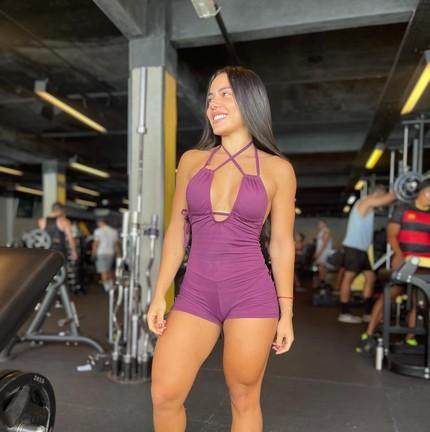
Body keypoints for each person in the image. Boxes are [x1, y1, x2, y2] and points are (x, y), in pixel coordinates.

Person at [147, 66, 296, 432]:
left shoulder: (278, 170)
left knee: (244, 398)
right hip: (196, 293)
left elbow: (281, 244)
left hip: (251, 296)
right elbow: (176, 232)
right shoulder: (191, 161)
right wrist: (159, 294)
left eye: (225, 94)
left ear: (250, 101)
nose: (214, 103)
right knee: (164, 393)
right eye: (211, 97)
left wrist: (287, 312)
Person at [357, 178, 430, 353]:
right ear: (422, 191)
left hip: (426, 264)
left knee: (420, 301)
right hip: (405, 261)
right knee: (388, 296)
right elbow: (391, 235)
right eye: (429, 193)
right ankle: (369, 334)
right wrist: (398, 254)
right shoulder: (402, 209)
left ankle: (410, 338)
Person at [338, 185, 396, 324]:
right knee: (349, 278)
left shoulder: (369, 205)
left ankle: (367, 313)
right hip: (353, 248)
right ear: (378, 194)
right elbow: (387, 199)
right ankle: (344, 313)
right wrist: (400, 190)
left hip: (361, 249)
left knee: (370, 277)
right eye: (382, 195)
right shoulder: (366, 201)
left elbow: (385, 200)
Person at [92, 217, 120, 292]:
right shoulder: (113, 231)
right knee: (109, 270)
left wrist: (93, 253)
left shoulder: (98, 231)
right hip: (110, 253)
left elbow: (96, 244)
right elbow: (116, 245)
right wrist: (118, 255)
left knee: (103, 271)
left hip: (101, 253)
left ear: (100, 222)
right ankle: (111, 286)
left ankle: (107, 288)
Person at [313, 219, 333, 288]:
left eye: (320, 223)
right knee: (321, 268)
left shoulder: (326, 231)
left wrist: (318, 253)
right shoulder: (322, 231)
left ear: (325, 224)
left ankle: (322, 283)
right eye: (318, 223)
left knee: (322, 268)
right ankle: (322, 283)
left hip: (323, 253)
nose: (318, 225)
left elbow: (324, 244)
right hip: (322, 252)